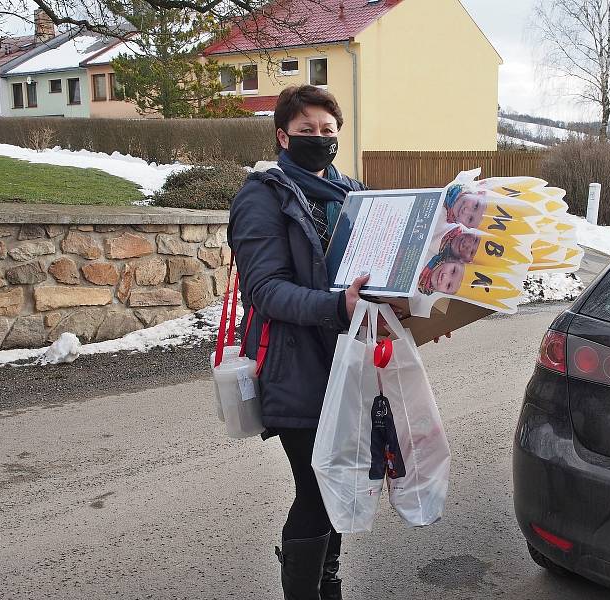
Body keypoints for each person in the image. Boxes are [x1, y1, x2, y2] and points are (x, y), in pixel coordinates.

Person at [228, 85, 369, 600]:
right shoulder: (261, 196)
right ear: (282, 136)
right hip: (295, 366)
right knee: (315, 488)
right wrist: (336, 306)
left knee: (339, 485)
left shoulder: (352, 192)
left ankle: (327, 580)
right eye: (306, 130)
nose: (318, 139)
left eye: (327, 131)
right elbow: (264, 291)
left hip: (349, 361)